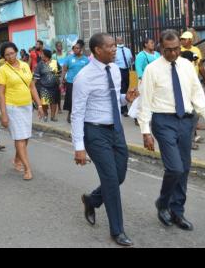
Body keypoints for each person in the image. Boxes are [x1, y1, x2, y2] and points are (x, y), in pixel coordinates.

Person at [138, 29, 205, 231]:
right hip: (163, 121)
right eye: (168, 50)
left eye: (176, 49)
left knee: (184, 168)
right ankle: (163, 203)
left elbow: (197, 93)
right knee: (174, 167)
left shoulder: (186, 66)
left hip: (186, 121)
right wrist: (145, 131)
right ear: (161, 48)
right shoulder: (152, 69)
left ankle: (177, 211)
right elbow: (145, 102)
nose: (173, 53)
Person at [72, 33, 138, 247]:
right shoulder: (84, 77)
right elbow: (77, 113)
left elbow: (112, 98)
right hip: (95, 132)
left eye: (115, 46)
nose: (114, 49)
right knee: (111, 180)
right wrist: (79, 147)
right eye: (110, 46)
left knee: (119, 176)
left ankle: (92, 200)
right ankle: (117, 231)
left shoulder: (115, 70)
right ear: (97, 50)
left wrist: (125, 99)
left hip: (116, 129)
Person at [0, 42, 44, 180]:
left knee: (26, 136)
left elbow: (32, 87)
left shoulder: (24, 65)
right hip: (13, 107)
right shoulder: (3, 70)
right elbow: (1, 93)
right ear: (4, 57)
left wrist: (40, 105)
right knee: (19, 137)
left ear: (16, 52)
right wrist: (3, 114)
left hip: (27, 106)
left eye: (12, 53)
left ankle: (17, 159)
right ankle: (27, 169)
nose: (10, 56)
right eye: (7, 55)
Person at [61, 39, 89, 123]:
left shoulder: (85, 59)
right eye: (74, 48)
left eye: (77, 48)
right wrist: (62, 79)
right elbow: (64, 69)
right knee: (70, 99)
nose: (75, 50)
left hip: (82, 83)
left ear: (81, 49)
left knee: (81, 99)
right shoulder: (69, 58)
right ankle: (70, 114)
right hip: (70, 82)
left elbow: (88, 71)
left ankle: (82, 115)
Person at [34, 49, 61, 122]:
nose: (40, 55)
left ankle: (53, 116)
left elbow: (59, 72)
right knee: (44, 103)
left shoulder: (55, 62)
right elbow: (36, 76)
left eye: (42, 54)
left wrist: (60, 83)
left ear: (46, 55)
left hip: (54, 86)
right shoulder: (40, 64)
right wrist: (32, 86)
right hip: (44, 87)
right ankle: (45, 114)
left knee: (54, 102)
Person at [114, 36, 133, 116]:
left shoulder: (127, 50)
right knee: (122, 88)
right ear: (116, 41)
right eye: (118, 40)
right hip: (119, 70)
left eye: (121, 40)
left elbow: (131, 59)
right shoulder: (115, 51)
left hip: (126, 69)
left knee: (126, 86)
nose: (120, 41)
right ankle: (124, 108)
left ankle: (123, 105)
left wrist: (131, 64)